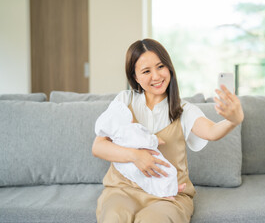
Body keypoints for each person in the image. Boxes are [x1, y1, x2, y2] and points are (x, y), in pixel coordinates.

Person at [92, 38, 244, 223]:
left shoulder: (183, 109)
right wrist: (136, 156)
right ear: (135, 77)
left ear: (169, 68)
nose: (156, 76)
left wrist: (233, 120)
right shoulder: (124, 101)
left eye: (160, 66)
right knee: (113, 218)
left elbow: (211, 132)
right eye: (146, 71)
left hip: (169, 194)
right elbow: (98, 147)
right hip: (123, 190)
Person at [94, 100, 179, 198]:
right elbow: (143, 140)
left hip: (124, 167)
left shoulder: (115, 139)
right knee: (164, 170)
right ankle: (168, 191)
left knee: (146, 181)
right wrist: (155, 140)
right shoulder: (128, 131)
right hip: (139, 160)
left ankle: (168, 190)